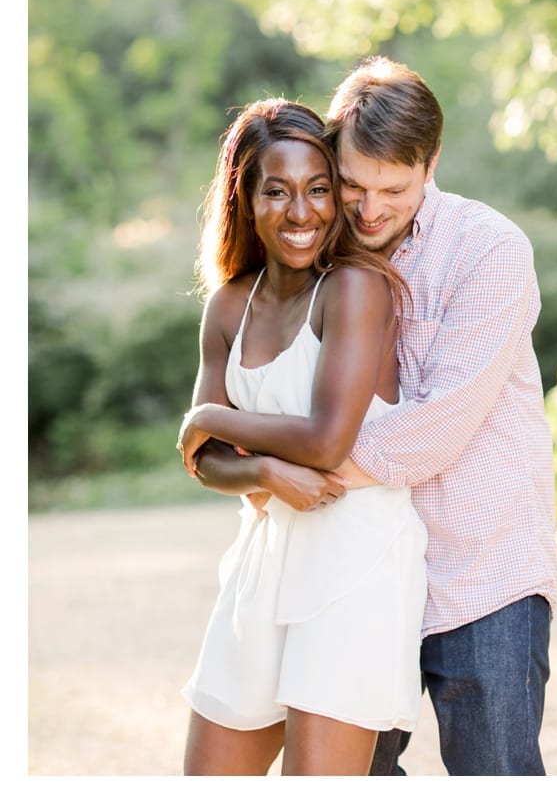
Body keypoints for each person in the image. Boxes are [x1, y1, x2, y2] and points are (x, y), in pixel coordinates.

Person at [200, 56, 557, 775]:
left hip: (478, 571)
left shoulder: (489, 251)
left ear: (431, 164)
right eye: (353, 185)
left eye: (393, 189)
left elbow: (431, 431)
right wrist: (259, 461)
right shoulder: (319, 260)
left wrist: (280, 468)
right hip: (355, 571)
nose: (368, 209)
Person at [177, 98, 427, 775]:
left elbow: (324, 440)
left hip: (354, 560)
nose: (302, 212)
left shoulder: (356, 287)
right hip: (262, 562)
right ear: (245, 198)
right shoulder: (229, 305)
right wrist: (261, 472)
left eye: (319, 189)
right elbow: (208, 465)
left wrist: (210, 419)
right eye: (277, 191)